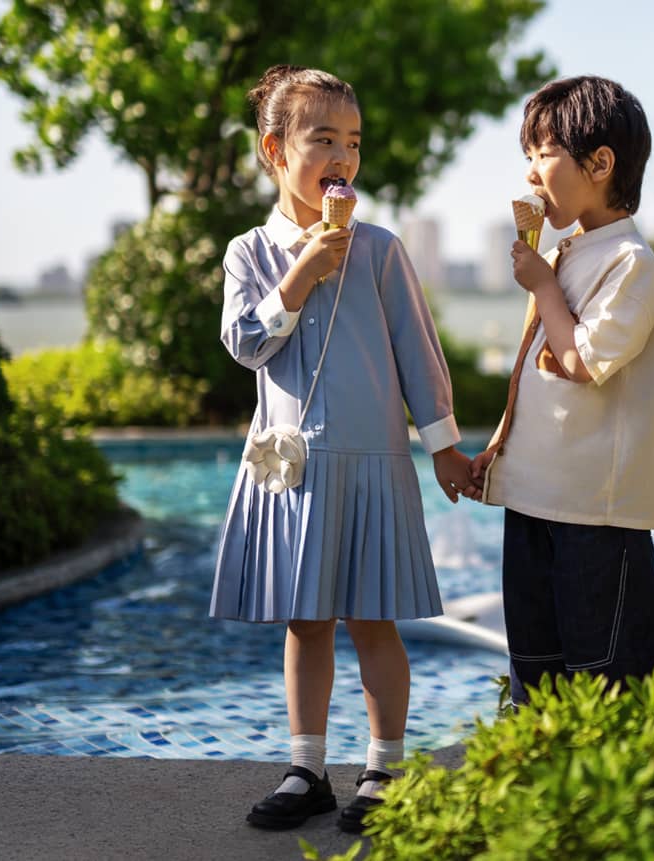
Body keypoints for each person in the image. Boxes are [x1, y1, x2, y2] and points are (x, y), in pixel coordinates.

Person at [210, 64, 480, 835]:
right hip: (295, 471)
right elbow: (244, 344)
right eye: (323, 138)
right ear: (274, 150)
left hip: (374, 466)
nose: (343, 156)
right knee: (306, 620)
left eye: (353, 141)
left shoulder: (382, 249)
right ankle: (307, 767)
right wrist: (300, 274)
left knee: (375, 619)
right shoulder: (249, 252)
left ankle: (385, 765)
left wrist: (444, 448)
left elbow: (419, 354)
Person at [470, 76, 654, 707]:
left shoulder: (632, 266)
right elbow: (531, 374)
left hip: (595, 513)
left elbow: (582, 361)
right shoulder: (568, 255)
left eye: (543, 153)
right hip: (535, 501)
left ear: (600, 163)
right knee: (536, 667)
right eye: (526, 157)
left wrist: (541, 287)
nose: (530, 173)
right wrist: (496, 452)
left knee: (606, 679)